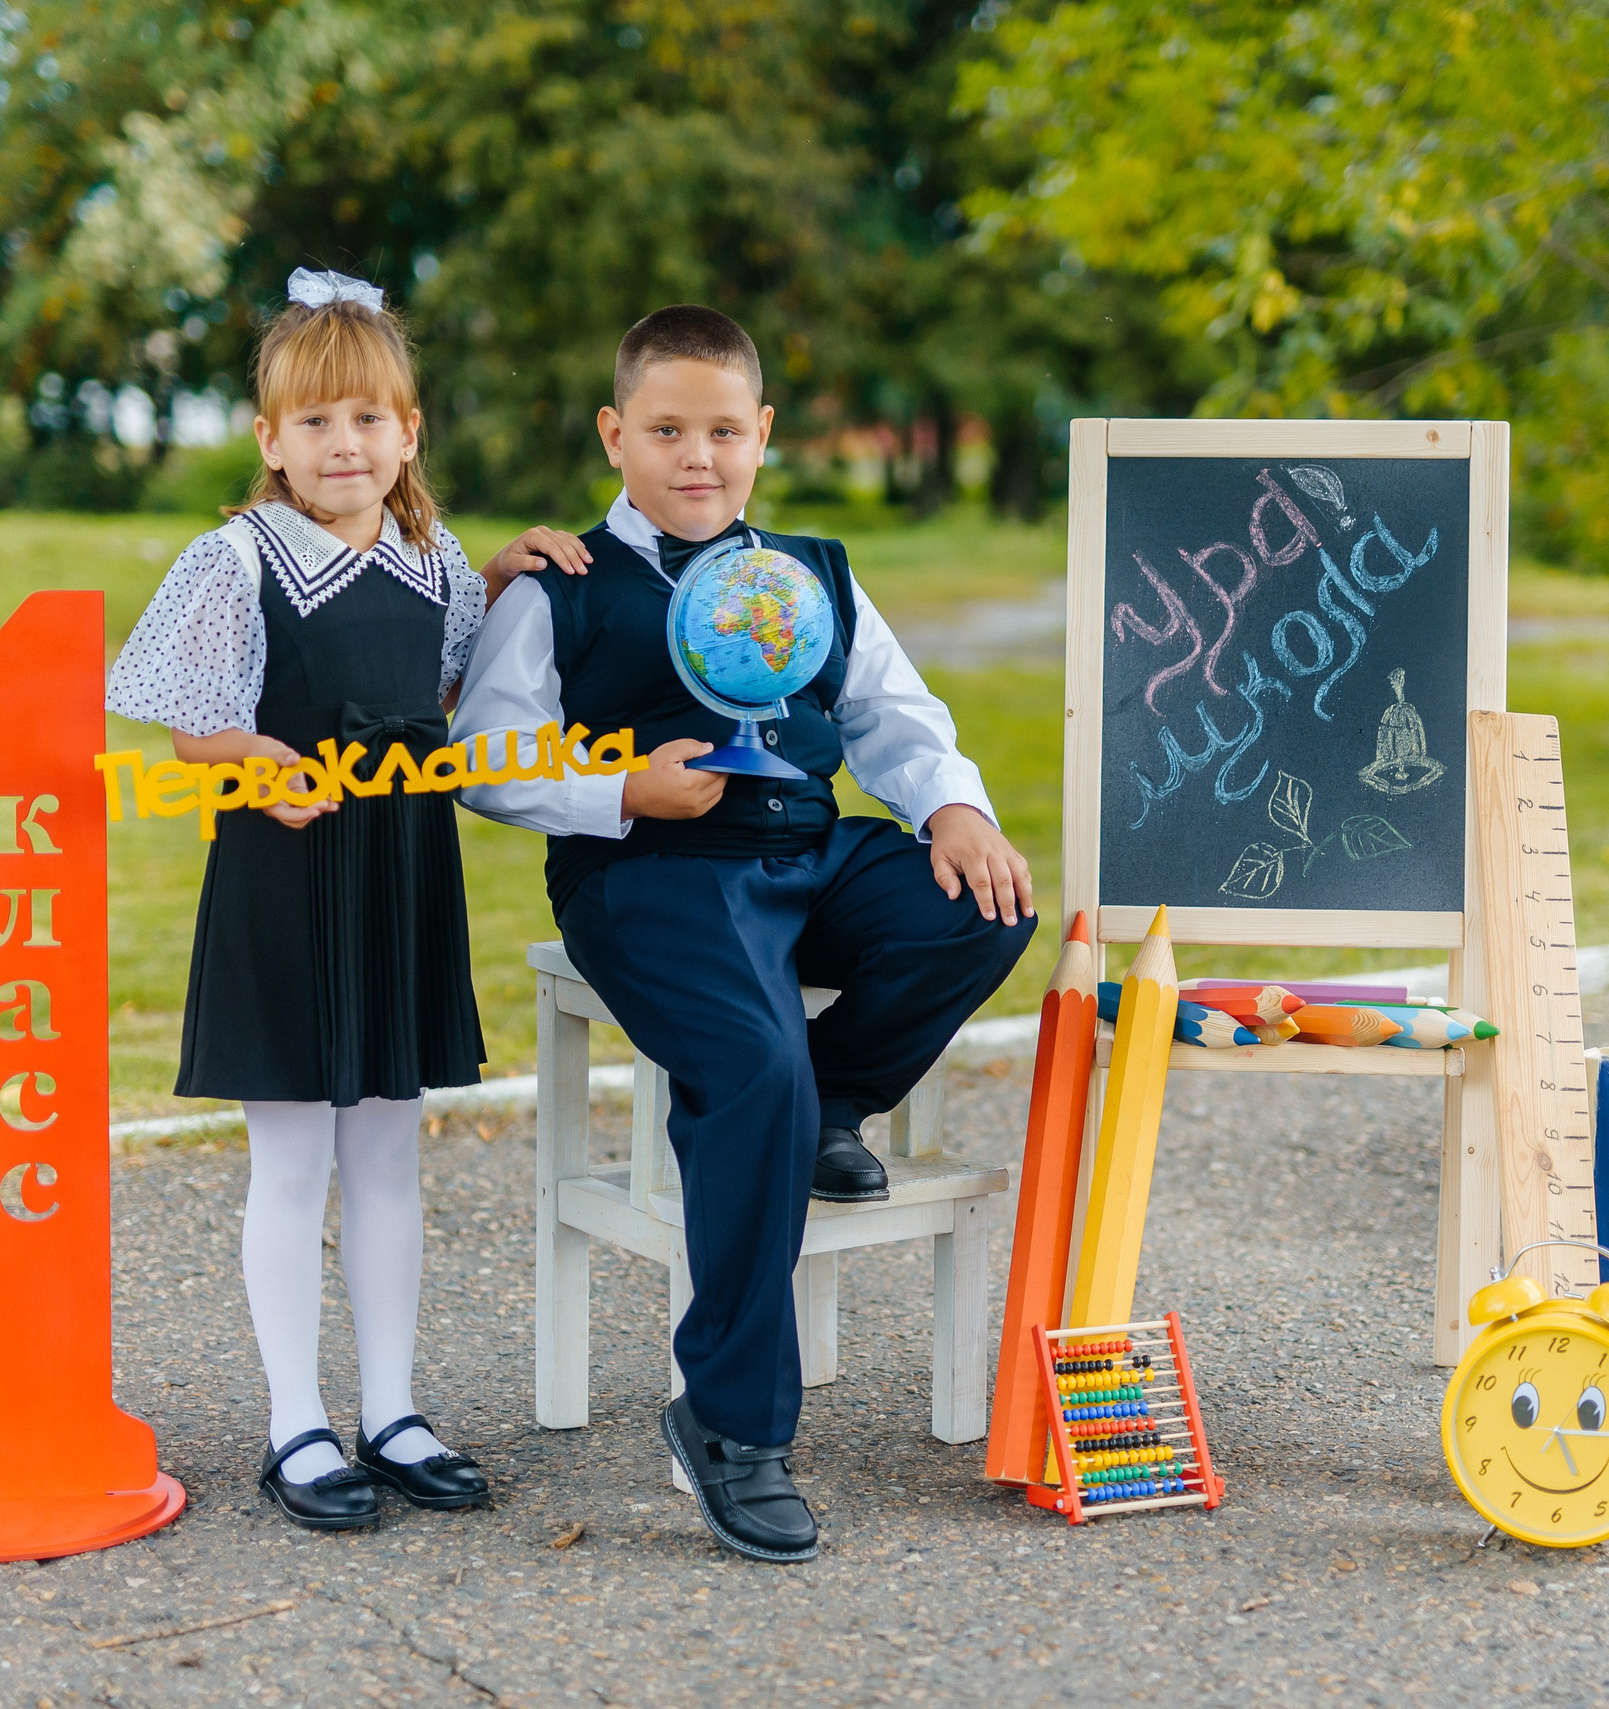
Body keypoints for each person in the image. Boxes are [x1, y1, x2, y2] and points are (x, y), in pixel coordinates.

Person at [452, 304, 1037, 1562]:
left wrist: (950, 805)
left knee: (980, 906)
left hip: (805, 848)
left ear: (762, 435)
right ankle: (729, 1423)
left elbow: (890, 709)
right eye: (665, 429)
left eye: (722, 430)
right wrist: (619, 791)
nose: (695, 456)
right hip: (650, 870)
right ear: (617, 435)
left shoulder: (810, 573)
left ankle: (828, 1105)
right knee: (748, 1073)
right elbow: (488, 761)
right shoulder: (566, 583)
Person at [106, 268, 583, 1531]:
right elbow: (194, 727)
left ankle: (391, 1406)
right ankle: (294, 1421)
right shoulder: (235, 558)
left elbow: (436, 689)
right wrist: (247, 758)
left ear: (408, 431)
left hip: (395, 873)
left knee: (387, 1153)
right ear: (270, 439)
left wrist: (499, 569)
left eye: (368, 418)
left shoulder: (434, 564)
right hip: (285, 876)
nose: (343, 443)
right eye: (314, 421)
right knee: (293, 1157)